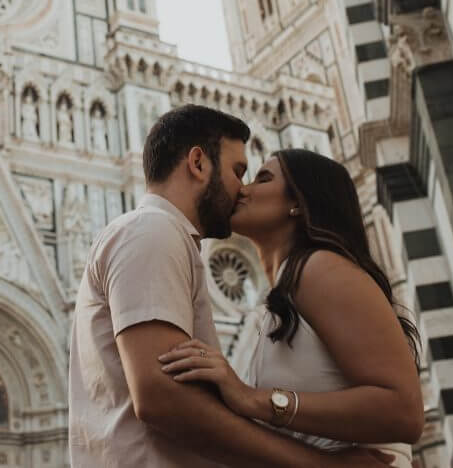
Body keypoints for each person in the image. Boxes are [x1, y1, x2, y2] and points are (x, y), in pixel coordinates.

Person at [68, 105, 395, 467]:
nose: (243, 189)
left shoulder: (163, 236)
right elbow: (162, 397)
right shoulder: (153, 232)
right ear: (198, 163)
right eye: (238, 171)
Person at [159, 149, 423, 467]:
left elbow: (404, 411)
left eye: (263, 178)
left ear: (299, 202)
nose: (242, 189)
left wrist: (254, 399)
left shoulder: (319, 268)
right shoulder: (285, 292)